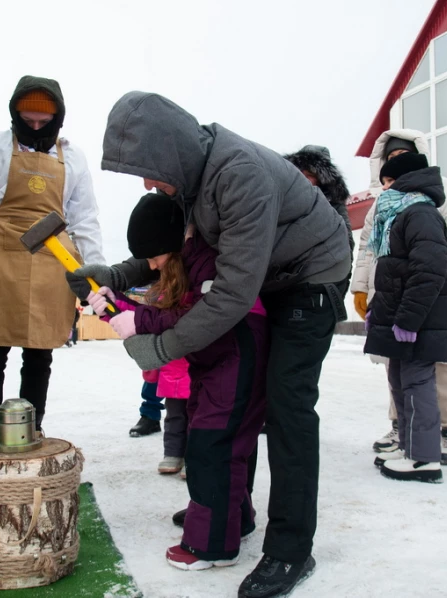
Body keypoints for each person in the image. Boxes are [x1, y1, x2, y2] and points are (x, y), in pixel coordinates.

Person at [67, 92, 351, 598]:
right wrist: (112, 275)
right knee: (246, 407)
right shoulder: (189, 180)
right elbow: (171, 251)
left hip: (311, 276)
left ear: (170, 150)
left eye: (148, 170)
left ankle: (289, 549)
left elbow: (232, 297)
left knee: (286, 406)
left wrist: (161, 347)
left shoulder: (238, 174)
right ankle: (228, 510)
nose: (149, 184)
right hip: (266, 279)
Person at [88, 193, 268, 571]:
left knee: (210, 449)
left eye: (154, 255)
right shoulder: (187, 259)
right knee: (212, 444)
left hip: (236, 357)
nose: (151, 265)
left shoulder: (207, 261)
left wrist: (136, 320)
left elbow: (190, 316)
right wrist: (118, 306)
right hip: (215, 362)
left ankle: (212, 545)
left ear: (171, 242)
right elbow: (166, 313)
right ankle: (234, 518)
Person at [0, 76, 105, 441]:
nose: (35, 128)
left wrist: (93, 273)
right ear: (15, 115)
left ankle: (31, 432)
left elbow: (85, 219)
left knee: (39, 356)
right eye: (27, 121)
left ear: (58, 119)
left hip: (51, 259)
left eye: (43, 122)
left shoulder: (74, 157)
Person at [352, 130, 447, 465]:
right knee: (398, 364)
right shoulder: (384, 199)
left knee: (435, 361)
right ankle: (402, 429)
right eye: (390, 158)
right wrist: (361, 286)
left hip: (429, 290)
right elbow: (368, 247)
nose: (395, 163)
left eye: (401, 155)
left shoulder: (439, 190)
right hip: (392, 293)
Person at [363, 151, 447, 482]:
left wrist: (408, 319)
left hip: (417, 321)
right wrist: (378, 312)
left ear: (404, 181)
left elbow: (429, 271)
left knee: (417, 383)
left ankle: (423, 459)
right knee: (400, 380)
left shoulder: (419, 214)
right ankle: (409, 445)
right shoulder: (401, 215)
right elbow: (393, 272)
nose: (384, 190)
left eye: (388, 182)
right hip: (401, 316)